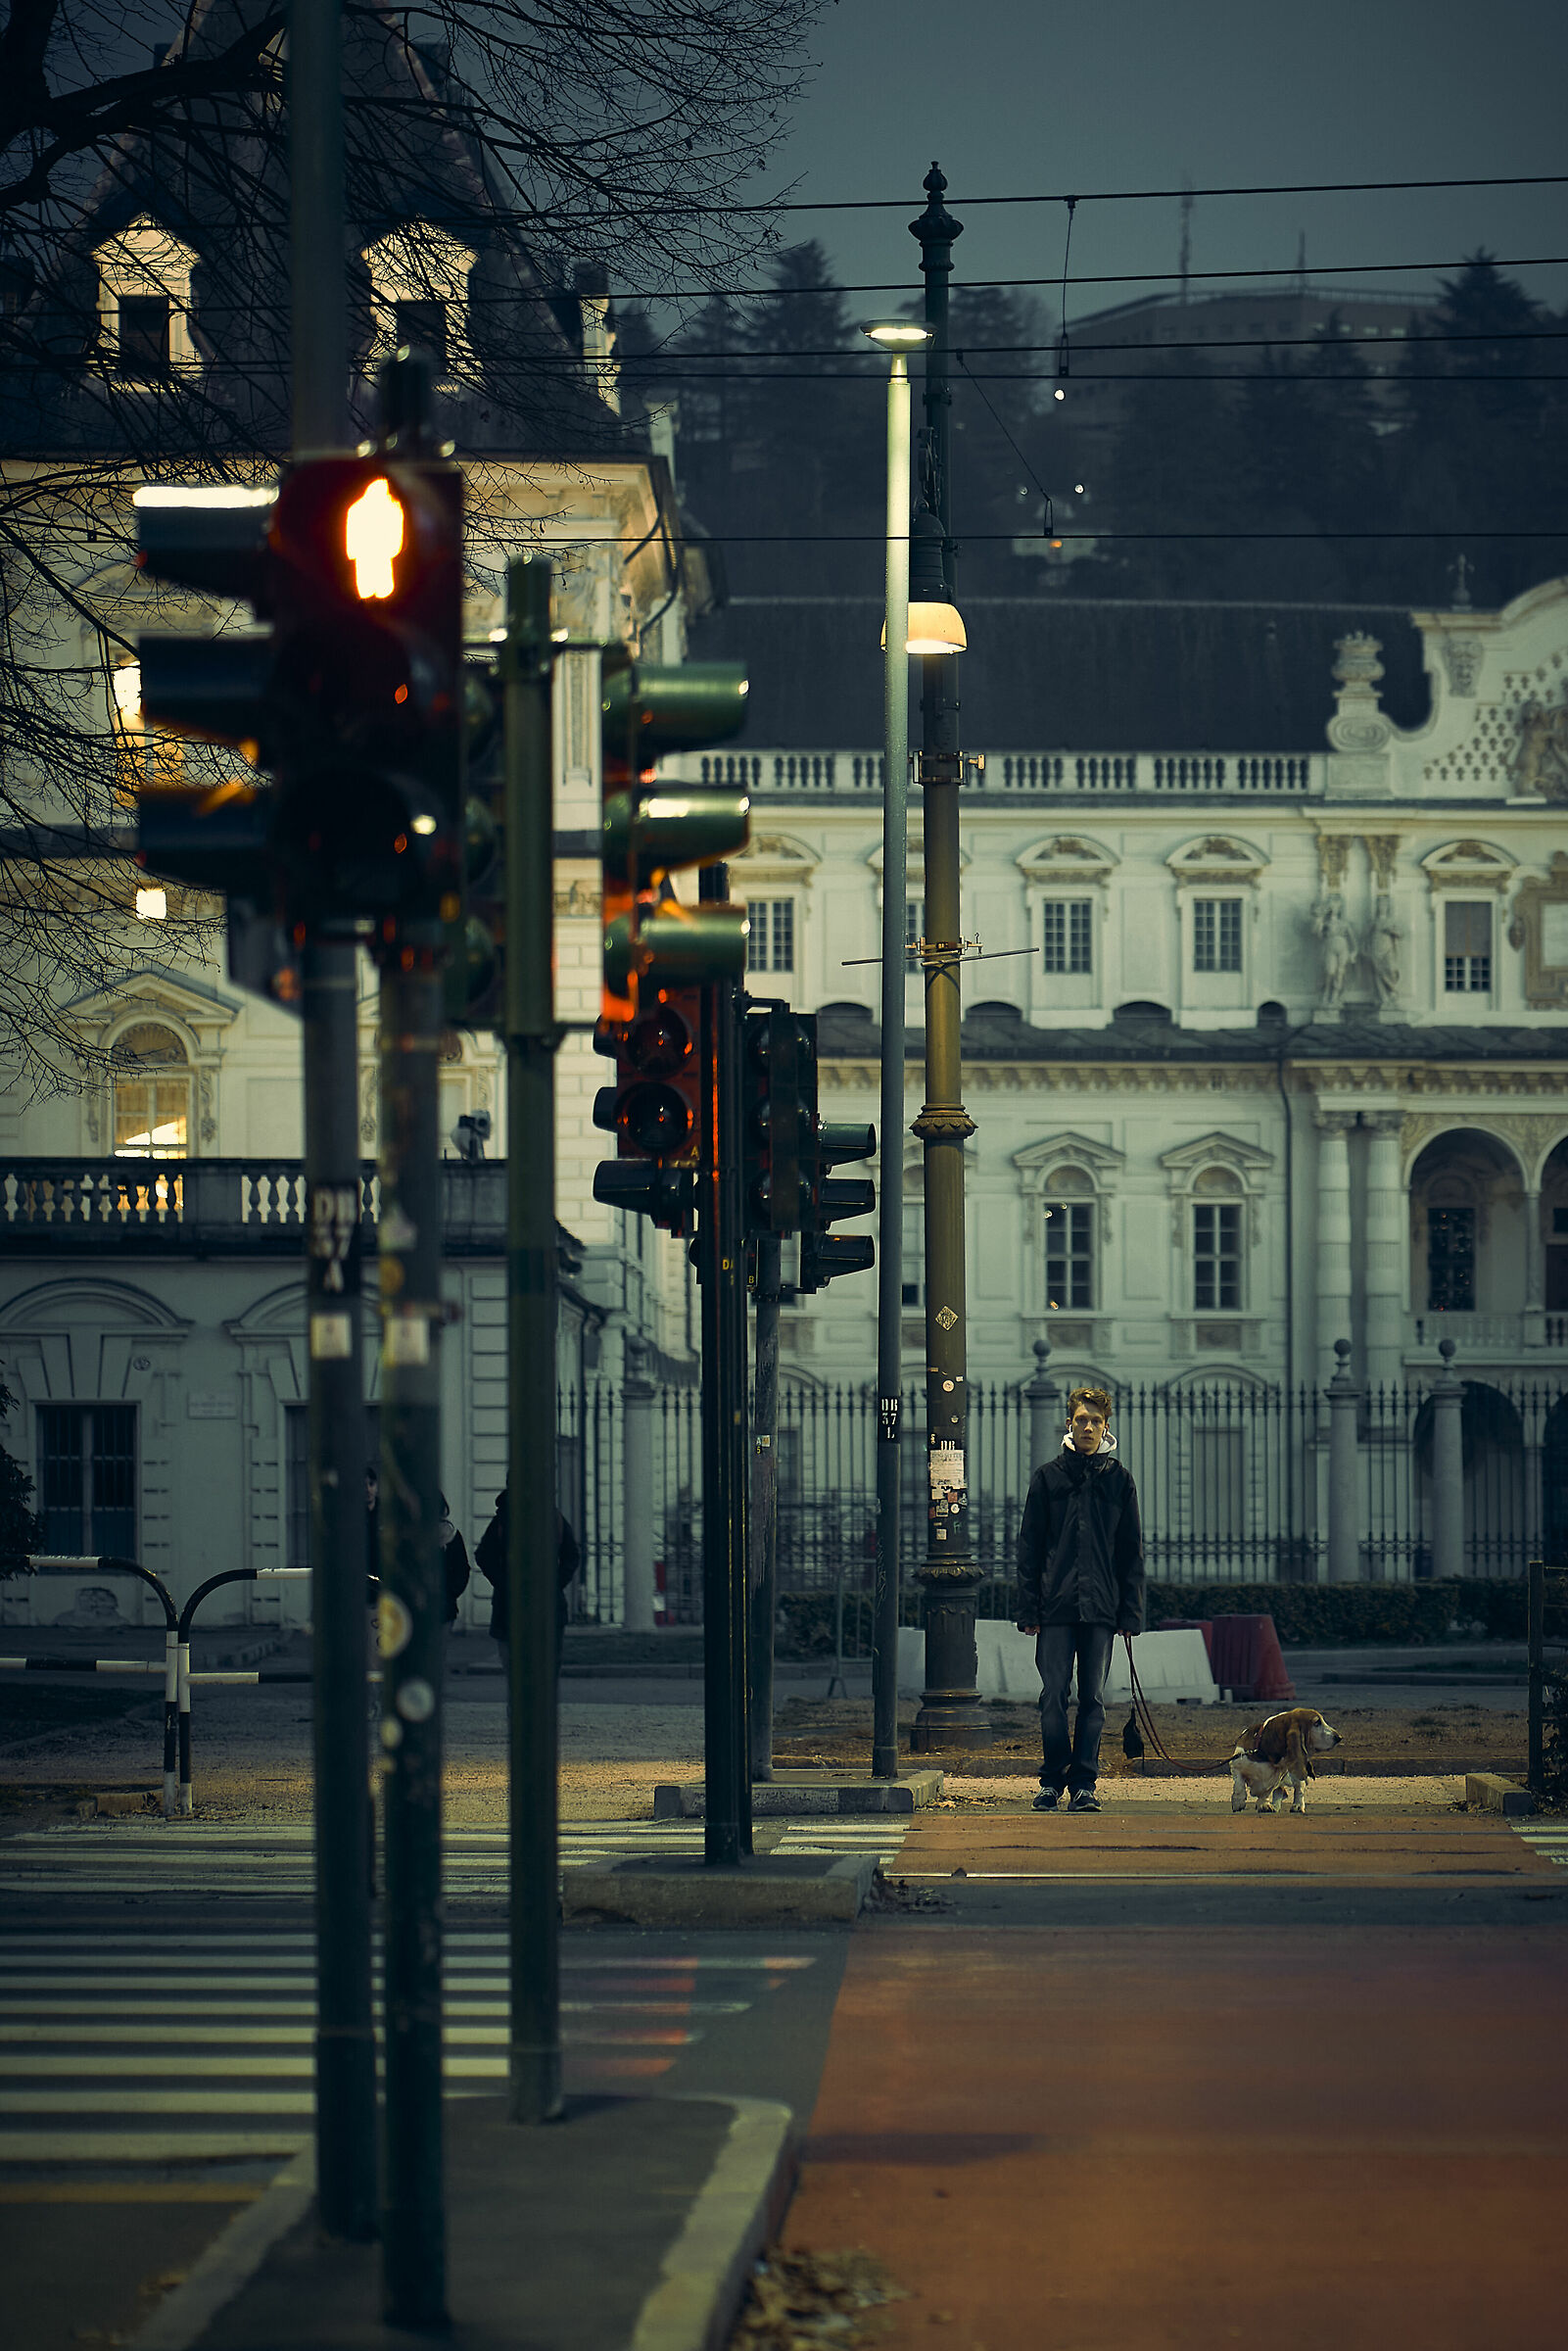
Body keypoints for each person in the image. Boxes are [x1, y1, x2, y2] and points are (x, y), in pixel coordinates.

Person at [1016, 1385, 1144, 1814]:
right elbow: (1029, 1548)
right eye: (1080, 1419)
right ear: (1069, 1424)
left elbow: (1131, 1551)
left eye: (1095, 1421)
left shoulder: (1119, 1480)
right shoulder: (1048, 1478)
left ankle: (1084, 1785)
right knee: (1053, 1695)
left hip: (1102, 1609)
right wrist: (1028, 1609)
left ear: (1106, 1427)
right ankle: (1052, 1781)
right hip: (1054, 1607)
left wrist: (1131, 1612)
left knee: (1092, 1699)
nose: (1087, 1427)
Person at [475, 1488, 581, 1676]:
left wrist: (553, 1584)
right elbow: (484, 1556)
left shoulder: (550, 1518)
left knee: (536, 1668)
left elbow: (571, 1555)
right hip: (525, 1604)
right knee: (523, 1667)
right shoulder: (506, 1519)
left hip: (527, 1604)